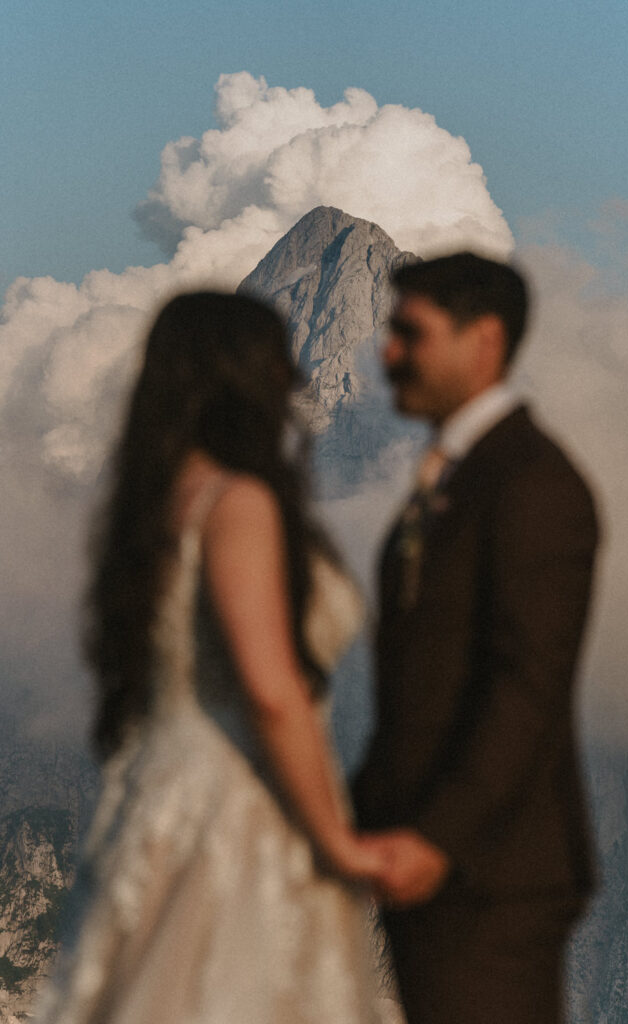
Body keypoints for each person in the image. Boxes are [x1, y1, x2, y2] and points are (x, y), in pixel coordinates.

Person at [34, 291, 404, 1024]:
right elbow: (271, 688)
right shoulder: (239, 503)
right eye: (277, 365)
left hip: (154, 798)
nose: (292, 384)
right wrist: (338, 843)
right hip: (236, 807)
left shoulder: (156, 505)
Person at [353, 253, 600, 1024]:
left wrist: (433, 838)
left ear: (483, 339)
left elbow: (527, 686)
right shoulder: (463, 478)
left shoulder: (532, 483)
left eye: (408, 333)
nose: (387, 352)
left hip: (490, 874)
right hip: (434, 867)